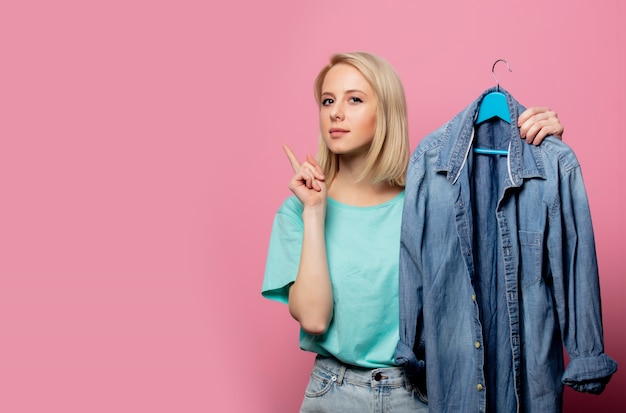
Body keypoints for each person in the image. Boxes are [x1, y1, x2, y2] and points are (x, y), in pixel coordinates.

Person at [261, 51, 564, 413]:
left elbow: (506, 257)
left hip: (421, 393)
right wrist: (314, 213)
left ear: (386, 112)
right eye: (328, 100)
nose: (335, 113)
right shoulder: (297, 211)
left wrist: (543, 152)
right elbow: (314, 318)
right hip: (334, 393)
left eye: (354, 99)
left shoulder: (432, 201)